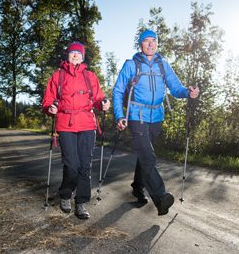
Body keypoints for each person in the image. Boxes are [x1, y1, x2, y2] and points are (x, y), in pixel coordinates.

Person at [112, 30, 199, 216]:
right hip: (136, 115)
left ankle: (137, 187)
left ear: (157, 44)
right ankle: (160, 197)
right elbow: (118, 91)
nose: (151, 44)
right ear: (140, 44)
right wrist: (120, 116)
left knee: (144, 156)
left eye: (154, 41)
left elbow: (176, 88)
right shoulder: (131, 65)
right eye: (146, 41)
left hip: (157, 117)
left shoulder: (163, 65)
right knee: (148, 156)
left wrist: (187, 92)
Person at [43, 41, 110, 219]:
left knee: (85, 166)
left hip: (87, 124)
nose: (75, 55)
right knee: (72, 165)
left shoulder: (90, 76)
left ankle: (81, 203)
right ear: (67, 56)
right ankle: (65, 194)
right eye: (72, 53)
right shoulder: (58, 76)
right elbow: (48, 100)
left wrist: (103, 103)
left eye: (78, 53)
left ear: (82, 57)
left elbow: (98, 98)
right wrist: (50, 107)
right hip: (66, 124)